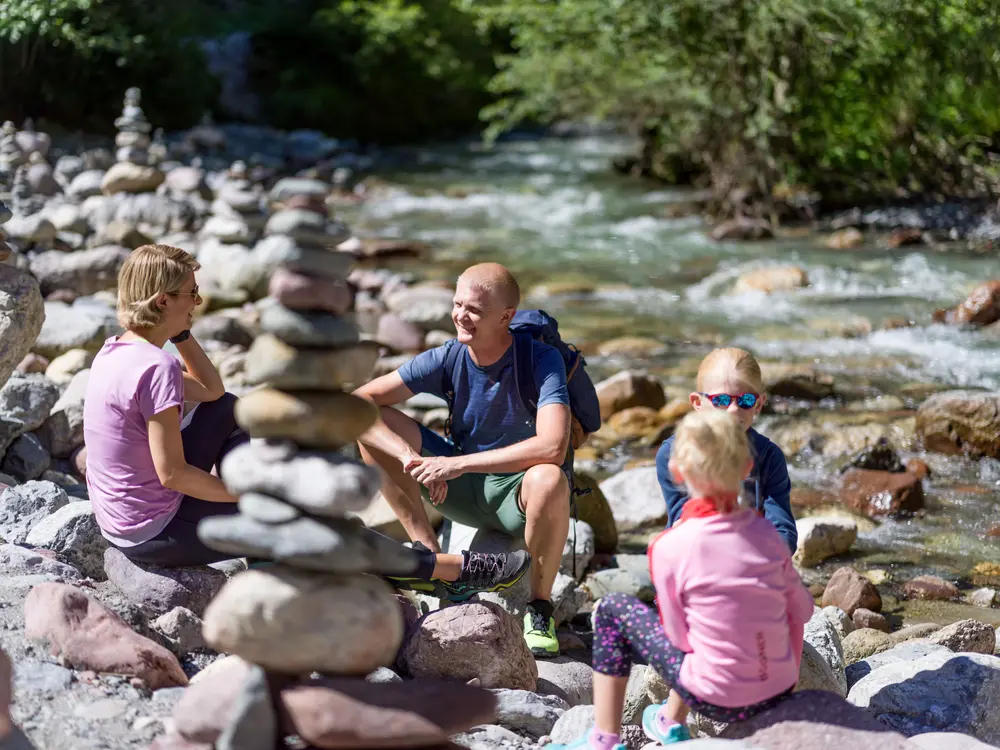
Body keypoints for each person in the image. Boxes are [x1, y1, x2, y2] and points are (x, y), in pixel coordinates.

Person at [83, 245, 530, 600]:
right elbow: (173, 474)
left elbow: (214, 393)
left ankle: (274, 530)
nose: (198, 303)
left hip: (123, 519)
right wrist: (250, 496)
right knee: (303, 517)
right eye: (191, 295)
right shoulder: (156, 370)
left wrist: (179, 333)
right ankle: (444, 571)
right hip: (155, 531)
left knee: (228, 409)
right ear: (164, 300)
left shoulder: (118, 351)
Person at [550, 410, 814, 748]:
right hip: (776, 692)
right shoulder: (768, 536)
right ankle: (668, 721)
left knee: (612, 611)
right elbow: (803, 611)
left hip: (712, 696)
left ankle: (604, 739)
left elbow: (680, 638)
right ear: (748, 469)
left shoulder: (669, 546)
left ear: (677, 472)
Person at [354, 262, 572, 657]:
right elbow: (358, 402)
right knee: (374, 426)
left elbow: (553, 446)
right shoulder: (448, 356)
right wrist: (410, 459)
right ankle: (431, 557)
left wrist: (456, 465)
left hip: (515, 497)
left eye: (473, 310)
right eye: (457, 305)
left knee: (550, 478)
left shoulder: (540, 361)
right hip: (461, 490)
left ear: (506, 317)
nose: (459, 316)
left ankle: (540, 608)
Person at [655, 347, 797, 552]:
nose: (733, 409)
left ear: (759, 404)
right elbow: (680, 520)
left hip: (754, 556)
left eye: (746, 400)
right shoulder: (674, 454)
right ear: (698, 402)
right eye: (721, 400)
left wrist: (762, 556)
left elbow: (783, 530)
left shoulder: (768, 457)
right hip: (696, 553)